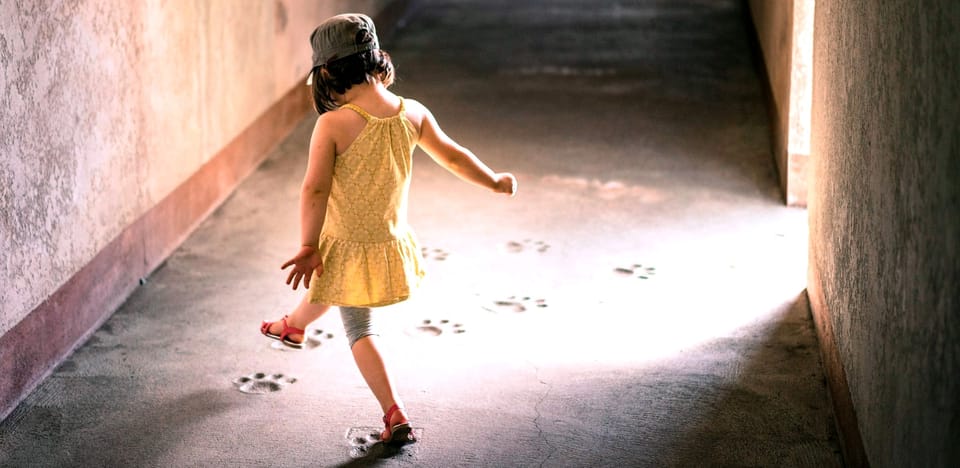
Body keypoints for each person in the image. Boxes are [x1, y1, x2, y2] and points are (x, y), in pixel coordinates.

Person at [259, 13, 517, 445]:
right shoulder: (412, 112)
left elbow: (315, 189)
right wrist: (493, 180)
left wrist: (308, 244)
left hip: (347, 245)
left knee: (358, 329)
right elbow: (454, 156)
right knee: (335, 286)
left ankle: (394, 414)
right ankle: (293, 326)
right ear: (377, 58)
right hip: (388, 243)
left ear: (325, 73)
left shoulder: (333, 123)